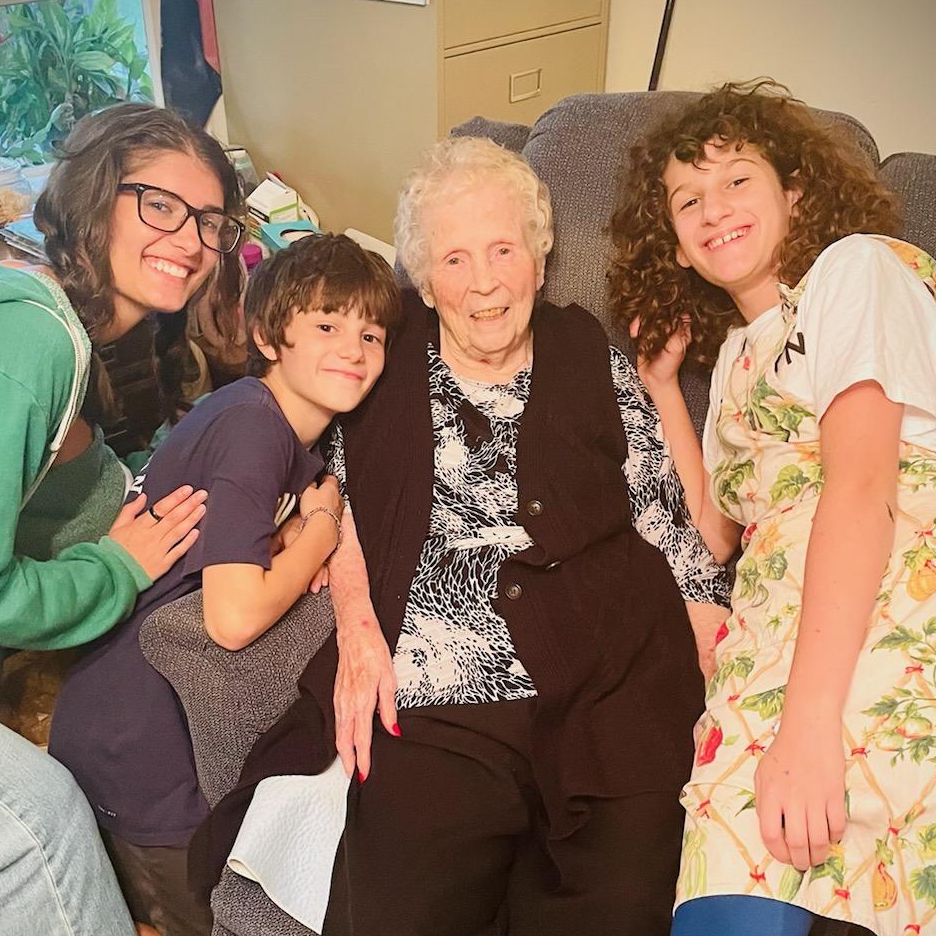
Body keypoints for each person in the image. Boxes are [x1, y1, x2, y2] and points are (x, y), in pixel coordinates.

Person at [191, 136, 731, 936]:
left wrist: (713, 639)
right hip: (438, 696)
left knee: (619, 910)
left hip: (609, 683)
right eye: (454, 258)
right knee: (400, 913)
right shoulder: (374, 354)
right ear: (423, 278)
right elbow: (329, 495)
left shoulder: (591, 354)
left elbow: (662, 515)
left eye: (504, 249)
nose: (484, 281)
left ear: (539, 261)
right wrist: (358, 624)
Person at [608, 80, 936, 936]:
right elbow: (715, 531)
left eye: (737, 179)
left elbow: (862, 486)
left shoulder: (858, 270)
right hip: (778, 622)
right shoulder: (737, 359)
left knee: (914, 900)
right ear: (677, 246)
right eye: (688, 199)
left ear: (795, 194)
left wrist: (805, 730)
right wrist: (663, 388)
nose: (713, 208)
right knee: (722, 905)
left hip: (912, 592)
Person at [0, 102, 246, 936]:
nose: (191, 240)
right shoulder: (29, 340)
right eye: (160, 205)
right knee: (34, 818)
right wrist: (116, 571)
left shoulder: (32, 304)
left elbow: (73, 489)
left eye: (210, 222)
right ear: (94, 200)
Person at [48, 233, 401, 936]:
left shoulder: (274, 428)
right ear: (268, 337)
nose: (354, 349)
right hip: (139, 745)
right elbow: (233, 619)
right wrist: (321, 530)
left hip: (149, 722)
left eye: (371, 334)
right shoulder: (253, 430)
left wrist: (300, 526)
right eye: (326, 326)